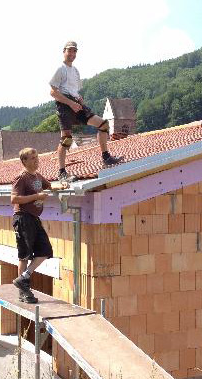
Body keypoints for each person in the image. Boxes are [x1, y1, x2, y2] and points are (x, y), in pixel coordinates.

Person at [49, 40, 122, 183]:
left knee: (103, 125)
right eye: (69, 50)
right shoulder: (60, 69)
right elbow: (53, 92)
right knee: (66, 139)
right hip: (64, 105)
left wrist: (79, 99)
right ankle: (62, 173)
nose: (72, 53)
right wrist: (70, 103)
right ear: (64, 51)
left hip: (76, 103)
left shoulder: (75, 71)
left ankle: (106, 157)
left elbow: (74, 90)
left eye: (74, 51)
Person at [11, 147, 68, 303]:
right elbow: (14, 199)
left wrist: (61, 186)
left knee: (45, 250)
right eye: (32, 158)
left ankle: (23, 278)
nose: (36, 161)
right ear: (24, 161)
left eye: (37, 157)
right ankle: (23, 292)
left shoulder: (37, 177)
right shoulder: (21, 178)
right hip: (22, 218)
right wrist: (37, 196)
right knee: (25, 256)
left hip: (34, 218)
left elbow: (49, 187)